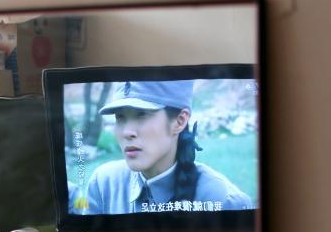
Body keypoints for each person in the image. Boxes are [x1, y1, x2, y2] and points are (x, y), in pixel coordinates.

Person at [84, 80, 252, 214]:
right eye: (120, 117)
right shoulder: (104, 185)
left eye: (141, 114)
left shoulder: (224, 200)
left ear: (179, 121)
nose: (127, 132)